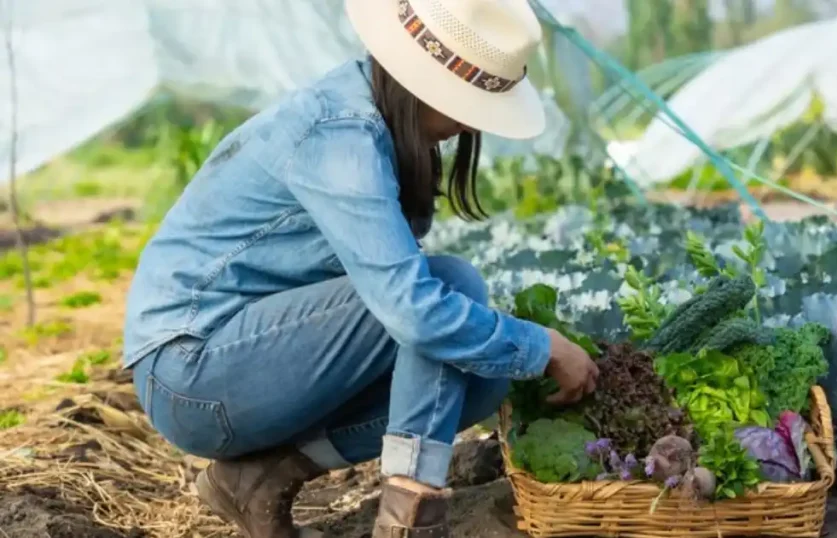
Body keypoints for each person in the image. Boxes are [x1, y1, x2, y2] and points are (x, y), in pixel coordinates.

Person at [121, 0, 600, 537]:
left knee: (478, 380)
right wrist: (545, 345)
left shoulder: (374, 119)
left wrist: (513, 349)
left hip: (246, 360)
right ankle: (410, 520)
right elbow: (412, 310)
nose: (466, 125)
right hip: (191, 372)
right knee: (445, 291)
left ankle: (261, 477)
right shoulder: (340, 137)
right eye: (466, 106)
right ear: (425, 85)